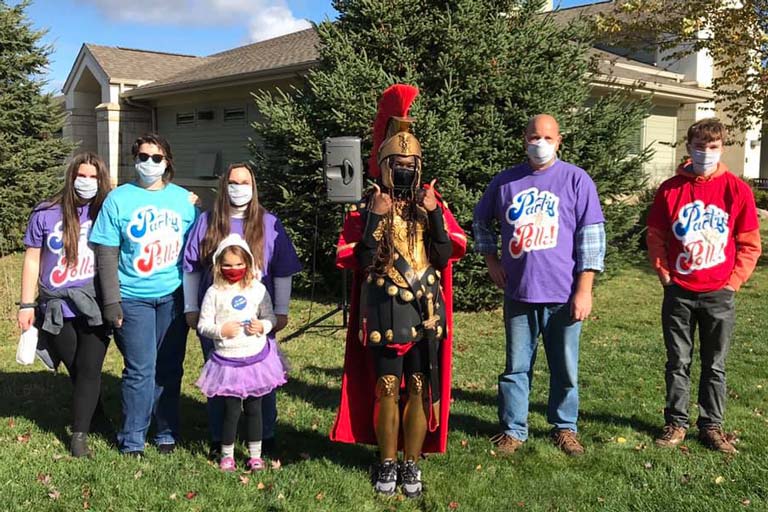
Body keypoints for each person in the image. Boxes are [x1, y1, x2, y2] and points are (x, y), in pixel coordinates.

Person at [330, 84, 467, 498]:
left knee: (420, 388)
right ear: (385, 164)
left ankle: (413, 463)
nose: (404, 168)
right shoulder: (366, 207)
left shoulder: (431, 205)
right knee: (387, 387)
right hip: (385, 310)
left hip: (425, 312)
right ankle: (386, 462)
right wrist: (374, 219)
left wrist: (435, 217)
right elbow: (361, 258)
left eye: (411, 162)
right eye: (397, 162)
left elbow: (444, 257)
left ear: (419, 165)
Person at [473, 114, 605, 457]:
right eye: (534, 136)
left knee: (565, 369)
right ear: (524, 138)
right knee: (516, 368)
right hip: (519, 292)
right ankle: (514, 429)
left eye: (547, 137)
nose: (540, 143)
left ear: (559, 140)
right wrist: (491, 261)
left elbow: (591, 237)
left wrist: (584, 289)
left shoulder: (577, 180)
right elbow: (480, 221)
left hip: (563, 294)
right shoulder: (505, 182)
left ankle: (565, 428)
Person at [646, 118, 761, 454]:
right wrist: (663, 272)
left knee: (715, 364)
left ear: (721, 148)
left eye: (712, 147)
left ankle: (711, 425)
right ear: (689, 148)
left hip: (718, 294)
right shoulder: (670, 189)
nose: (705, 153)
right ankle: (676, 423)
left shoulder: (736, 190)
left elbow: (750, 243)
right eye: (700, 146)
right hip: (679, 291)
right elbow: (655, 236)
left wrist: (733, 282)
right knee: (677, 361)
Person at [182, 162, 301, 458]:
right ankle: (219, 437)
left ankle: (264, 437)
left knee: (263, 380)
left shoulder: (269, 223)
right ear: (224, 186)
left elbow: (282, 269)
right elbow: (191, 267)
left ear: (253, 187)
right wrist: (190, 307)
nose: (239, 188)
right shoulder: (208, 221)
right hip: (218, 320)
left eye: (245, 182)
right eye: (233, 182)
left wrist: (282, 310)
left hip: (257, 320)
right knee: (220, 380)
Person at [89, 134, 198, 456]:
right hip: (133, 297)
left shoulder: (184, 201)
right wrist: (111, 301)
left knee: (170, 367)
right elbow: (106, 253)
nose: (149, 163)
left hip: (173, 297)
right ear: (134, 158)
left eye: (157, 158)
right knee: (140, 369)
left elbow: (196, 250)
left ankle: (166, 431)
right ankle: (133, 438)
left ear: (167, 162)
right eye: (143, 156)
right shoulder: (118, 199)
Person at [17, 152, 111, 457]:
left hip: (94, 304)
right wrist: (26, 304)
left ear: (101, 181)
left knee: (89, 368)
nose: (87, 182)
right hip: (56, 306)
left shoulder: (107, 212)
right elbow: (32, 260)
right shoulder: (45, 213)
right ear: (71, 177)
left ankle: (79, 435)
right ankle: (97, 416)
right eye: (81, 175)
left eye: (93, 177)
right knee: (76, 367)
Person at [195, 234, 286, 471]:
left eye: (238, 264)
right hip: (228, 361)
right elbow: (203, 325)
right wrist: (220, 330)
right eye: (227, 265)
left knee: (255, 408)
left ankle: (255, 454)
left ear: (248, 263)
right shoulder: (214, 292)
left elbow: (270, 317)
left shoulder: (257, 289)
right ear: (218, 265)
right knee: (231, 410)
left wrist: (264, 326)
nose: (233, 269)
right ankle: (227, 454)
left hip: (256, 359)